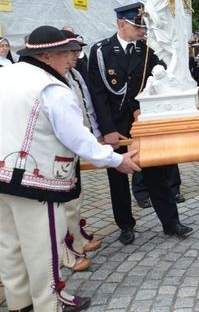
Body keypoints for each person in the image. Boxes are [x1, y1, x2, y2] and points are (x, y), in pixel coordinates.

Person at [0, 25, 140, 312]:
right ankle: (49, 303)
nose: (72, 58)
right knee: (43, 247)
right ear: (48, 57)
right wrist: (116, 159)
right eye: (67, 53)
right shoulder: (53, 88)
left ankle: (19, 302)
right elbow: (77, 138)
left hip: (2, 174)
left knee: (9, 244)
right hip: (36, 181)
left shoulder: (7, 74)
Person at [87, 2, 193, 245]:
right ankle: (125, 225)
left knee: (157, 171)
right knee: (118, 178)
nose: (142, 31)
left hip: (142, 121)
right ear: (121, 24)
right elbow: (98, 94)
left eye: (144, 27)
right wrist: (107, 130)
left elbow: (159, 82)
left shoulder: (146, 51)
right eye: (137, 26)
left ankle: (170, 222)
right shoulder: (101, 51)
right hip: (115, 124)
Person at [59, 30, 103, 273]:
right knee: (66, 202)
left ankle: (77, 239)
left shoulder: (74, 74)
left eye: (78, 50)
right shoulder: (57, 80)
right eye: (72, 51)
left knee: (76, 197)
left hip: (77, 143)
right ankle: (68, 250)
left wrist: (94, 133)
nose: (77, 55)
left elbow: (87, 105)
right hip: (63, 148)